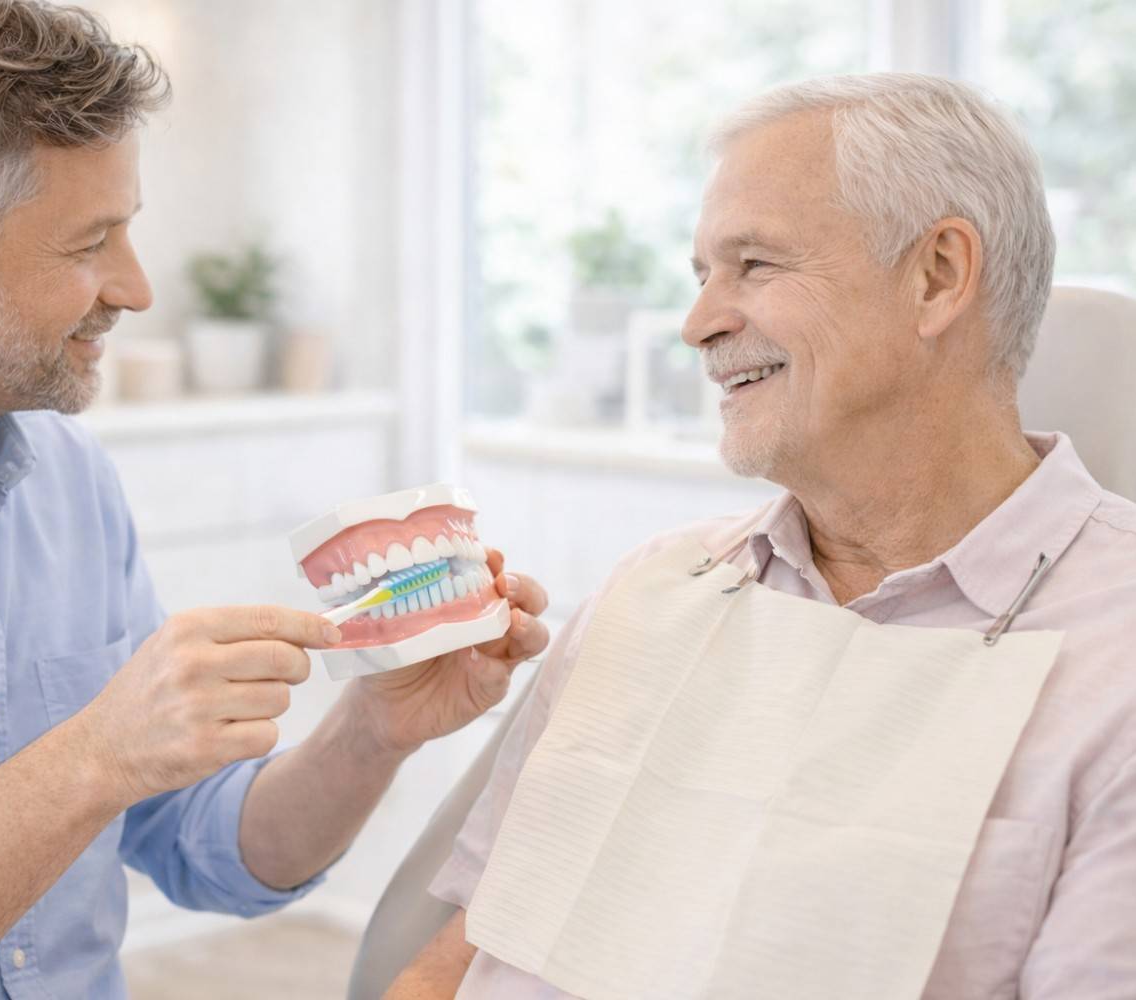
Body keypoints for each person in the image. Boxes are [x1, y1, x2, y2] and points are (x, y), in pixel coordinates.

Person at [0, 2, 551, 997]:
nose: (137, 286)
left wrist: (376, 728)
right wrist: (93, 756)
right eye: (90, 244)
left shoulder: (65, 477)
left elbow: (204, 849)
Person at [390, 74, 1136, 999]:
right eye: (703, 274)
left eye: (756, 265)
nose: (698, 324)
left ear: (937, 274)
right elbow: (465, 954)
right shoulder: (654, 589)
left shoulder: (1116, 660)